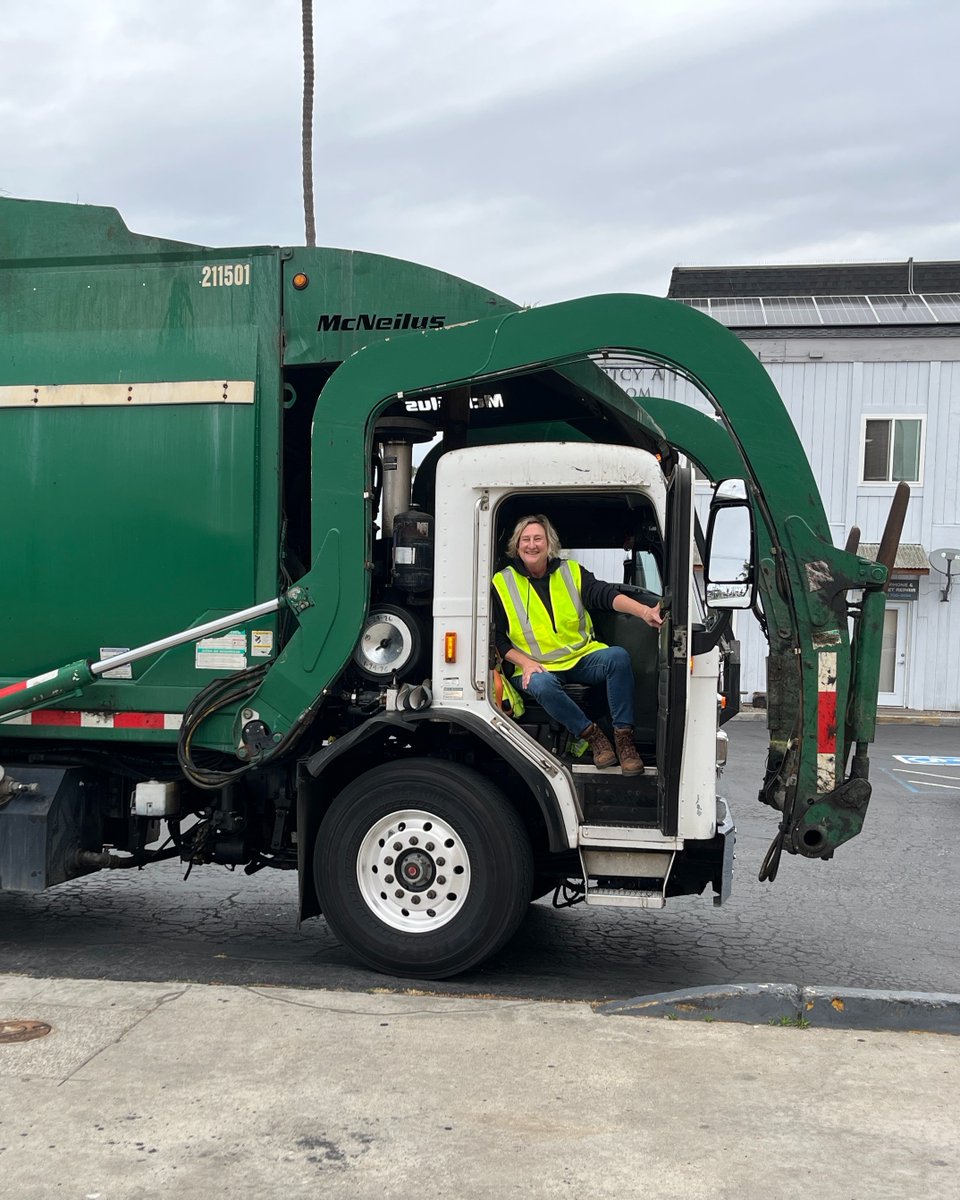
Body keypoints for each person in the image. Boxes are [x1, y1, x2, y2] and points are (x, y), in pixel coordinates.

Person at [492, 515, 664, 775]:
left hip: (580, 657)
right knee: (540, 683)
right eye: (525, 540)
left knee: (617, 657)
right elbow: (499, 639)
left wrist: (643, 612)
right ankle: (593, 737)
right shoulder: (501, 583)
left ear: (549, 544)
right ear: (517, 546)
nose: (531, 545)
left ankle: (624, 741)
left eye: (538, 538)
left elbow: (604, 595)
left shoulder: (570, 571)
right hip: (533, 665)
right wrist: (525, 663)